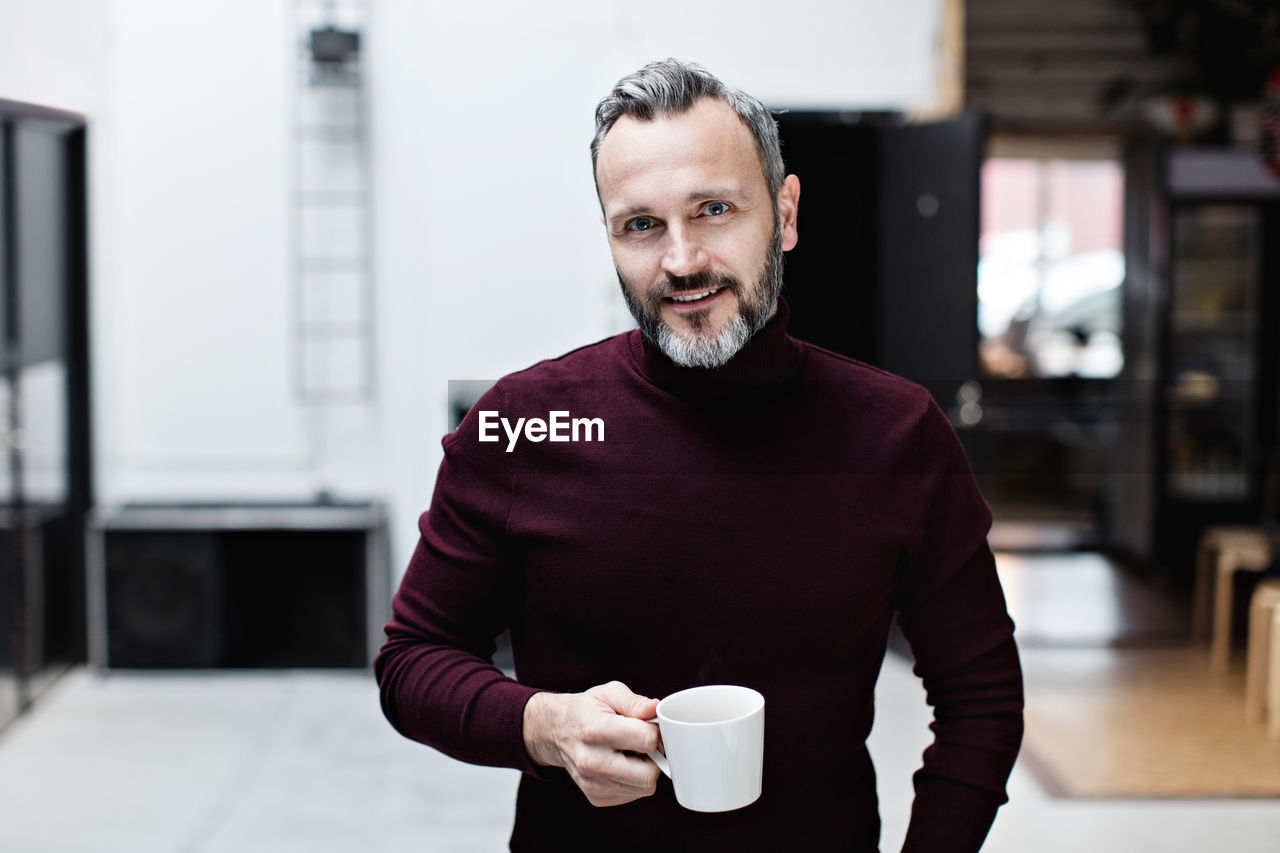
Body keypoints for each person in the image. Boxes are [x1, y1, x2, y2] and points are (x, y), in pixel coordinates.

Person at [376, 58, 1024, 852]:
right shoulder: (524, 424)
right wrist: (539, 724)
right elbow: (412, 660)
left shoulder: (896, 434)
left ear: (784, 214)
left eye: (713, 209)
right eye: (641, 225)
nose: (681, 261)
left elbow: (981, 696)